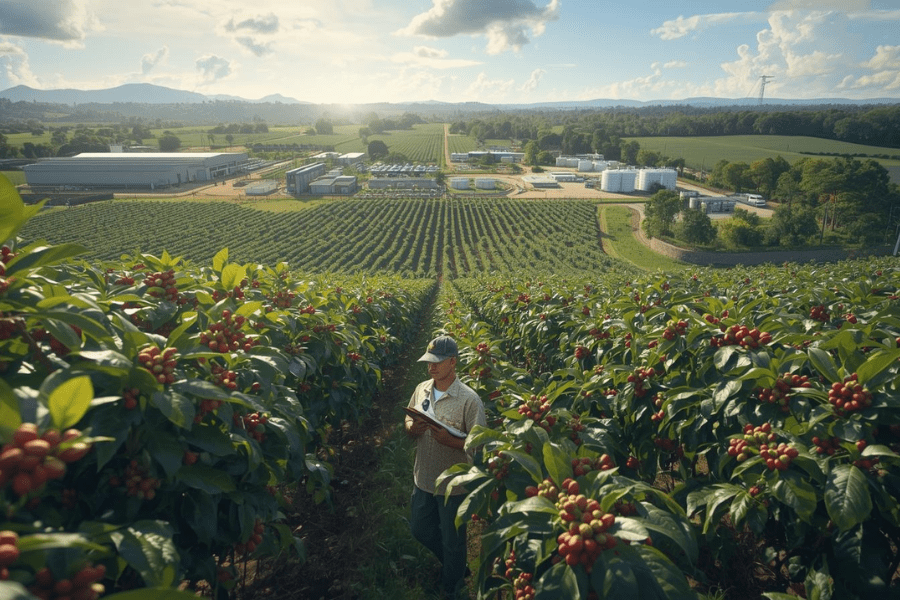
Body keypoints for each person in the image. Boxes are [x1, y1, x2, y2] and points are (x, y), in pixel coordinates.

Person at [405, 335, 486, 599]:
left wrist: (452, 442)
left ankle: (453, 586)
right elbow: (408, 419)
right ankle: (456, 565)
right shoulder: (421, 389)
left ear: (453, 362)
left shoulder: (469, 400)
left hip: (454, 485)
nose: (431, 367)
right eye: (429, 362)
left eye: (437, 362)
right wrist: (413, 427)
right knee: (420, 529)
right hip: (424, 477)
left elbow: (479, 444)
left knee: (454, 540)